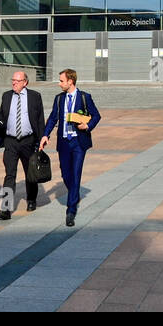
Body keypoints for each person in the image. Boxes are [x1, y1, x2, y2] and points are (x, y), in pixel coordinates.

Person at [39, 68, 100, 227]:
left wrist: (87, 125)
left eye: (61, 81)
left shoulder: (84, 97)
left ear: (70, 81)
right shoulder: (59, 99)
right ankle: (75, 193)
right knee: (66, 174)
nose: (59, 84)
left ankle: (71, 210)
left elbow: (96, 115)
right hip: (64, 142)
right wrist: (46, 135)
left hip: (79, 142)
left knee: (76, 173)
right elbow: (53, 118)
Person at [0, 70, 45, 220]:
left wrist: (42, 138)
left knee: (30, 173)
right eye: (13, 80)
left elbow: (39, 119)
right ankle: (6, 208)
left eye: (17, 81)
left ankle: (31, 199)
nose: (14, 83)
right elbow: (1, 117)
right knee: (9, 174)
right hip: (10, 141)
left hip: (28, 141)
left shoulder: (34, 96)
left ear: (25, 82)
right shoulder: (6, 96)